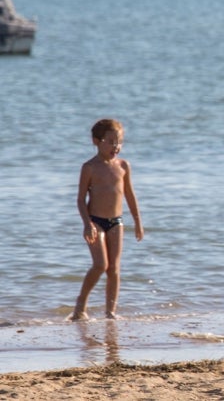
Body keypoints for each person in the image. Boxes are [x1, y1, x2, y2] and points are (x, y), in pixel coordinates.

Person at [71, 118, 144, 320]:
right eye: (110, 141)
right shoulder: (89, 167)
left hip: (116, 222)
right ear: (97, 141)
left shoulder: (123, 166)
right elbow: (80, 199)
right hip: (95, 222)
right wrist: (87, 224)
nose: (116, 147)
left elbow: (130, 195)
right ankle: (80, 306)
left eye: (118, 142)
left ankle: (110, 312)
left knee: (114, 268)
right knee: (100, 265)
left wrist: (138, 222)